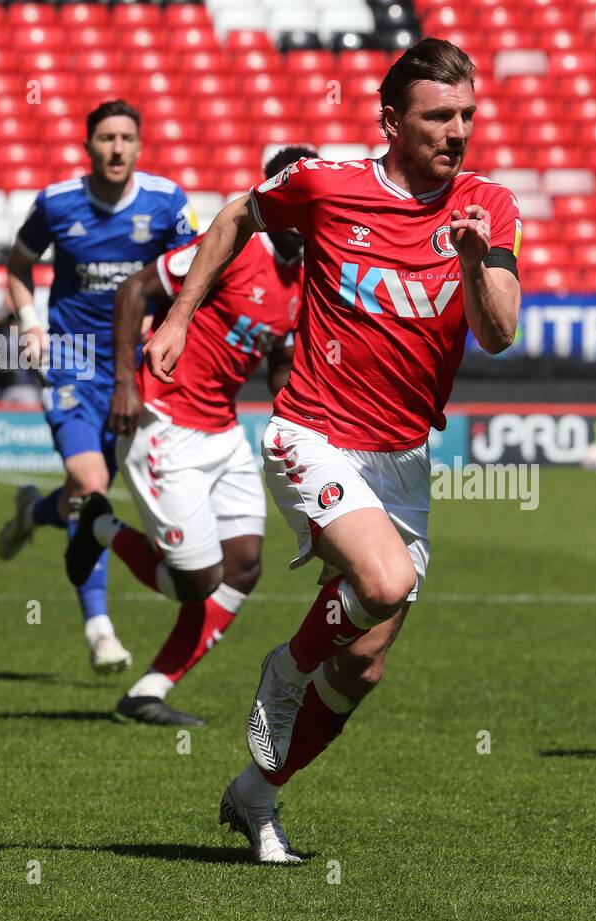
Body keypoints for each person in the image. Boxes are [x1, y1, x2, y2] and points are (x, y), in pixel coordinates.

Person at [144, 39, 523, 861]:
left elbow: (498, 334)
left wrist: (469, 262)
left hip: (403, 458)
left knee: (364, 670)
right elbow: (238, 214)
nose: (456, 131)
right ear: (393, 121)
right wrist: (177, 316)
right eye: (437, 117)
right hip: (312, 433)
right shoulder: (325, 185)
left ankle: (255, 796)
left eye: (466, 115)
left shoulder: (487, 206)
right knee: (380, 583)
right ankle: (283, 669)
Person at [65, 147, 314, 726]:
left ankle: (146, 692)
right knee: (195, 583)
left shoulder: (301, 278)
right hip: (163, 421)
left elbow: (280, 367)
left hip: (221, 430)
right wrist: (126, 385)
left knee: (246, 565)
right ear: (280, 197)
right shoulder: (234, 246)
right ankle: (97, 524)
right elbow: (133, 291)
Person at [0, 100, 195, 673]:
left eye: (126, 138)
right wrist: (31, 326)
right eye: (105, 137)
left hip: (133, 371)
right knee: (92, 485)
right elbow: (17, 264)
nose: (115, 148)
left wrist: (170, 323)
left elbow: (194, 268)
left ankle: (32, 514)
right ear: (88, 146)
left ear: (138, 145)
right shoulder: (57, 203)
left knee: (82, 497)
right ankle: (100, 630)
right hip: (72, 362)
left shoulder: (166, 202)